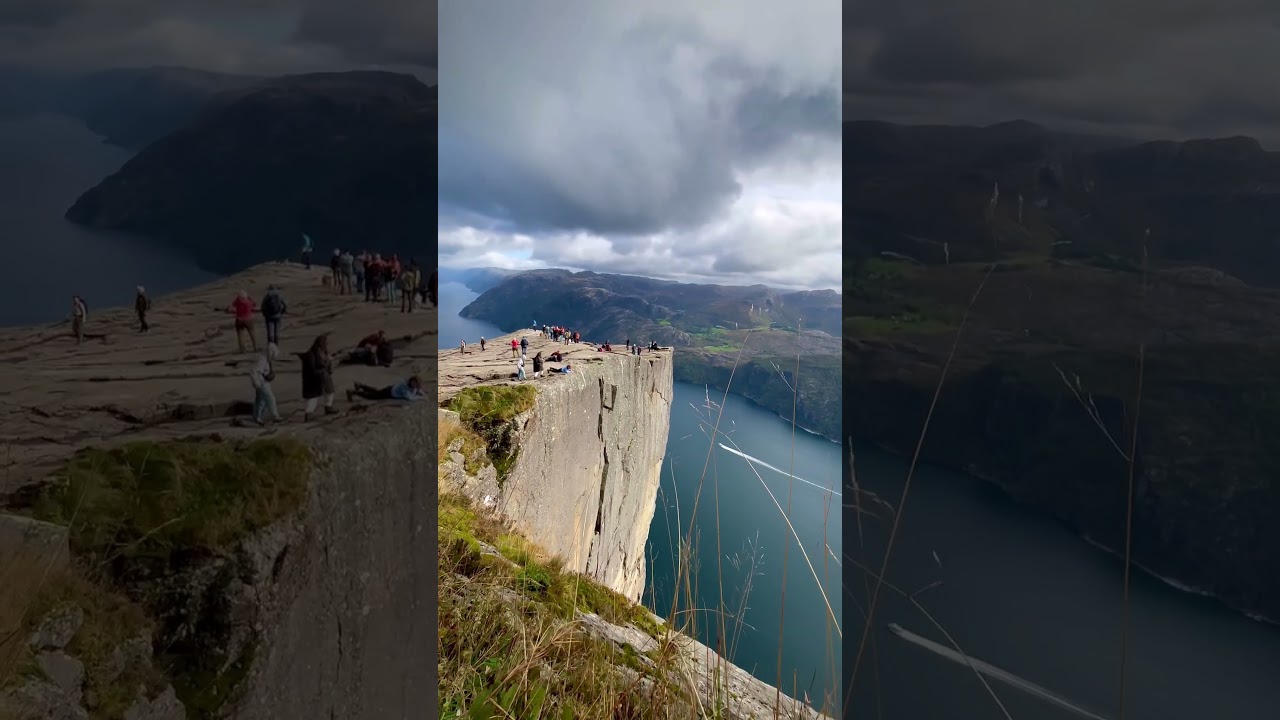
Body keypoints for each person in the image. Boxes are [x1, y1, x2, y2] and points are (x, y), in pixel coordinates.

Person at [298, 335, 336, 420]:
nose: (326, 345)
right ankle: (309, 414)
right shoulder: (311, 354)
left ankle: (328, 407)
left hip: (324, 376)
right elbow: (311, 369)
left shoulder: (324, 352)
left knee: (330, 391)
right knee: (313, 397)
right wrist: (322, 370)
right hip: (313, 379)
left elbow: (327, 365)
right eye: (324, 343)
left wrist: (329, 362)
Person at [249, 343, 283, 425]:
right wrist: (257, 382)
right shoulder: (262, 359)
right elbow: (254, 371)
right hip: (261, 382)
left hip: (263, 382)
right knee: (270, 398)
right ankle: (275, 416)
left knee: (261, 400)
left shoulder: (265, 358)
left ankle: (257, 416)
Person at [346, 376, 425, 402]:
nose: (416, 386)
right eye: (416, 384)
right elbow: (409, 398)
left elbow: (417, 390)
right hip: (390, 393)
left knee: (376, 391)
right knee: (373, 396)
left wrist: (419, 391)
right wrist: (420, 397)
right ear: (413, 382)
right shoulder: (405, 389)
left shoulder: (409, 383)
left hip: (391, 389)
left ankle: (361, 386)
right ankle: (355, 392)